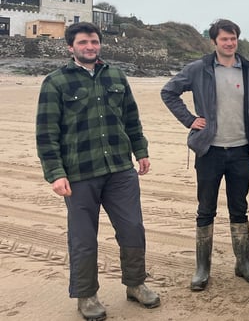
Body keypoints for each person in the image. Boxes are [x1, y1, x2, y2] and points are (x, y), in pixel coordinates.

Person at [36, 22, 160, 321]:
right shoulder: (56, 82)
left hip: (120, 169)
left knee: (132, 229)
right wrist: (55, 173)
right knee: (83, 238)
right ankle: (86, 295)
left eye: (94, 41)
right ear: (71, 47)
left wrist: (140, 151)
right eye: (83, 42)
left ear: (100, 43)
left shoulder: (117, 76)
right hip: (79, 174)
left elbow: (131, 118)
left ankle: (135, 284)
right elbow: (46, 133)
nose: (89, 46)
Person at [160, 19, 249, 291]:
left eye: (233, 38)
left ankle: (243, 264)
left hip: (240, 151)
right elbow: (169, 92)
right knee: (205, 210)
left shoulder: (248, 69)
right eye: (224, 39)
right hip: (209, 151)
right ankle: (202, 268)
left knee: (238, 209)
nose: (229, 43)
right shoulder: (199, 69)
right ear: (214, 42)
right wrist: (190, 120)